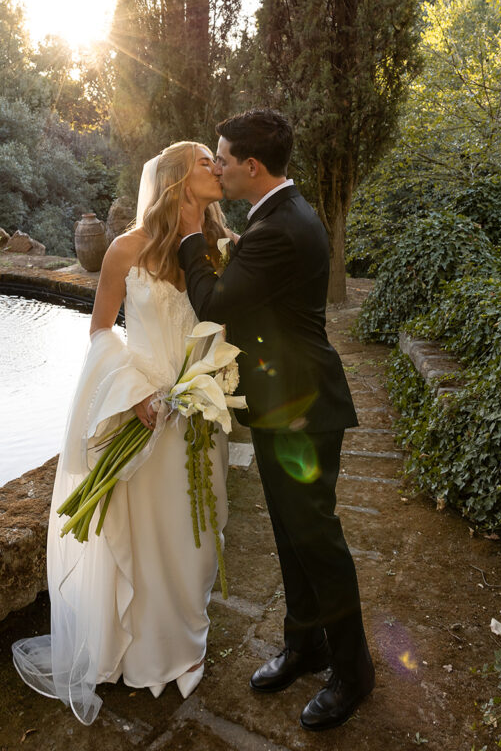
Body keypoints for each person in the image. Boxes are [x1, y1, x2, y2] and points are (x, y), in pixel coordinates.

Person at [12, 142, 231, 725]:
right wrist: (135, 393)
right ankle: (141, 650)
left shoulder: (222, 249)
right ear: (179, 179)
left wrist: (215, 380)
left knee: (198, 533)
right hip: (147, 410)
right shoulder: (125, 249)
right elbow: (102, 334)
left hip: (201, 410)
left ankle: (186, 641)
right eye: (207, 160)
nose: (218, 167)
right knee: (149, 532)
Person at [178, 109, 375, 731]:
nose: (217, 167)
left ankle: (353, 671)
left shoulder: (276, 229)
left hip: (302, 411)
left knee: (316, 539)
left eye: (223, 158)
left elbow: (212, 302)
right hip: (287, 404)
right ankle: (305, 644)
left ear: (251, 166)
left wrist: (189, 237)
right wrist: (233, 248)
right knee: (292, 536)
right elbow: (264, 281)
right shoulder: (281, 215)